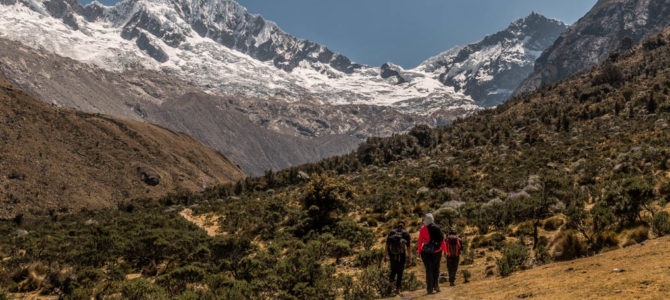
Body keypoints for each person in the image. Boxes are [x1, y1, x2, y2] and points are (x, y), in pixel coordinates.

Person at [417, 213, 446, 294]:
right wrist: (445, 251)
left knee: (429, 270)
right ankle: (436, 286)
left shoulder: (423, 229)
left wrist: (419, 251)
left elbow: (420, 241)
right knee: (436, 269)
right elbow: (442, 240)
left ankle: (429, 289)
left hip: (425, 252)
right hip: (437, 252)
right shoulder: (438, 228)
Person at [384, 220, 412, 294]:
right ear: (404, 225)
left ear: (397, 225)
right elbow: (408, 247)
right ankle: (397, 289)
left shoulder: (392, 232)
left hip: (392, 254)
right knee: (400, 271)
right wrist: (410, 258)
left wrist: (385, 256)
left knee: (393, 270)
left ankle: (390, 283)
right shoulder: (406, 234)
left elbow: (387, 245)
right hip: (401, 255)